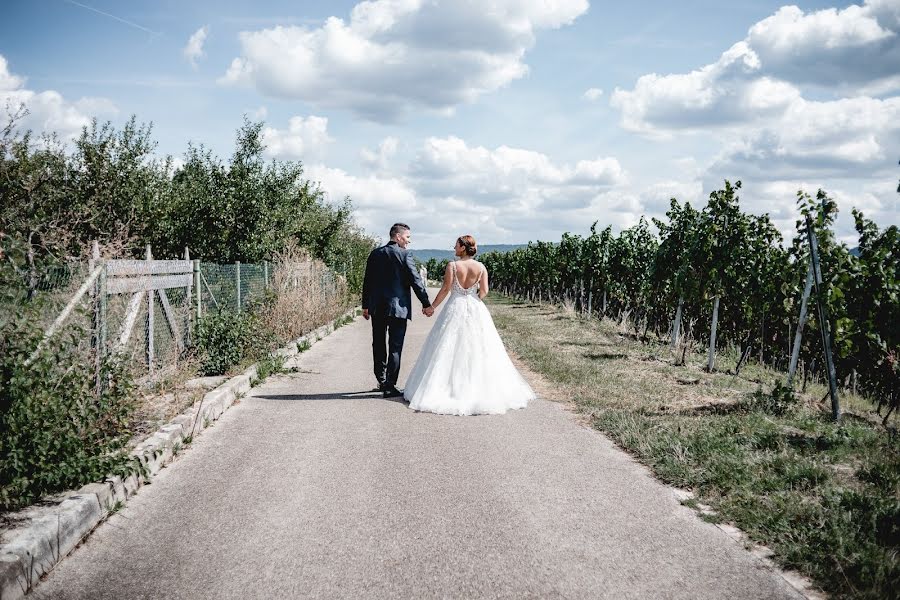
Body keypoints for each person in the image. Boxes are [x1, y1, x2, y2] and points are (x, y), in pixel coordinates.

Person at [403, 235, 535, 415]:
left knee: (446, 345)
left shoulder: (453, 266)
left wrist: (432, 307)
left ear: (463, 248)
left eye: (456, 245)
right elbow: (485, 291)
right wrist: (473, 300)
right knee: (479, 346)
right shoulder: (481, 267)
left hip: (454, 306)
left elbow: (445, 289)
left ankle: (445, 387)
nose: (454, 247)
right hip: (475, 307)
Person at [362, 223, 433, 398]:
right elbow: (416, 281)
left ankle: (381, 379)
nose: (409, 241)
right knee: (395, 347)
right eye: (407, 237)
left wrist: (365, 305)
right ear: (398, 236)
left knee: (378, 343)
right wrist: (426, 303)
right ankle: (389, 385)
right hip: (398, 309)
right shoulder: (405, 255)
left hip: (377, 307)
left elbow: (367, 281)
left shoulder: (375, 254)